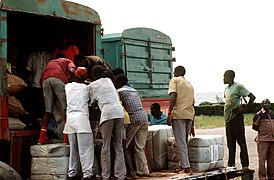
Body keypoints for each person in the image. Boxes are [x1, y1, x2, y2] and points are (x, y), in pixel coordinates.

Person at [88, 65, 125, 180]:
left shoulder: (92, 85)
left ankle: (105, 175)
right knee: (119, 145)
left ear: (93, 75)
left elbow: (92, 103)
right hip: (119, 113)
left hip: (107, 114)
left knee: (106, 145)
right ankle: (120, 175)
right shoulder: (108, 80)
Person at [115, 74, 151, 177]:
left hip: (134, 120)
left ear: (119, 82)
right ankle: (144, 170)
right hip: (144, 118)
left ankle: (125, 171)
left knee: (123, 146)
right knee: (139, 147)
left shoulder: (120, 92)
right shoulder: (134, 90)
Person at [63, 67, 95, 180]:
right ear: (85, 77)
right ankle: (87, 173)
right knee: (86, 148)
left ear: (75, 76)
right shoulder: (87, 88)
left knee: (73, 149)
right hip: (82, 119)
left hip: (70, 120)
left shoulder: (68, 86)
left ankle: (72, 172)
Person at [38, 56, 76, 144]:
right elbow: (72, 70)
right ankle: (66, 139)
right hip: (58, 78)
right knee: (66, 109)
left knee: (48, 111)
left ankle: (41, 139)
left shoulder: (51, 63)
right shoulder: (67, 60)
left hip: (45, 80)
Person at [223, 70, 256, 172]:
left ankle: (245, 165)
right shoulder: (226, 89)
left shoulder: (238, 87)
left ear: (230, 77)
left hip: (236, 119)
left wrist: (244, 109)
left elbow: (252, 97)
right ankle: (231, 164)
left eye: (224, 77)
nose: (223, 79)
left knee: (241, 142)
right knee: (230, 143)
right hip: (228, 120)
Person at [167, 65, 195, 175]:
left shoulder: (175, 80)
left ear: (178, 72)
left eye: (174, 72)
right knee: (184, 142)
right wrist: (193, 124)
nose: (173, 74)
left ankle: (186, 168)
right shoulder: (189, 85)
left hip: (179, 114)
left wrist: (169, 113)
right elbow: (193, 104)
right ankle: (183, 165)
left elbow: (173, 95)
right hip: (189, 115)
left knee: (181, 143)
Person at [25, 49, 52, 118]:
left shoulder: (49, 56)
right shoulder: (32, 55)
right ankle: (34, 119)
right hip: (34, 83)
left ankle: (42, 119)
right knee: (34, 103)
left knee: (44, 104)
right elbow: (28, 69)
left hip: (46, 83)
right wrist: (27, 82)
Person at [252, 99, 274, 180]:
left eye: (268, 103)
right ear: (262, 104)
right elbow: (254, 127)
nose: (267, 104)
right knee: (262, 160)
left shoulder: (272, 114)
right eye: (265, 103)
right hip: (263, 140)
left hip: (272, 140)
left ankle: (271, 176)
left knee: (271, 160)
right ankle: (262, 177)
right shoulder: (259, 115)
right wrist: (263, 132)